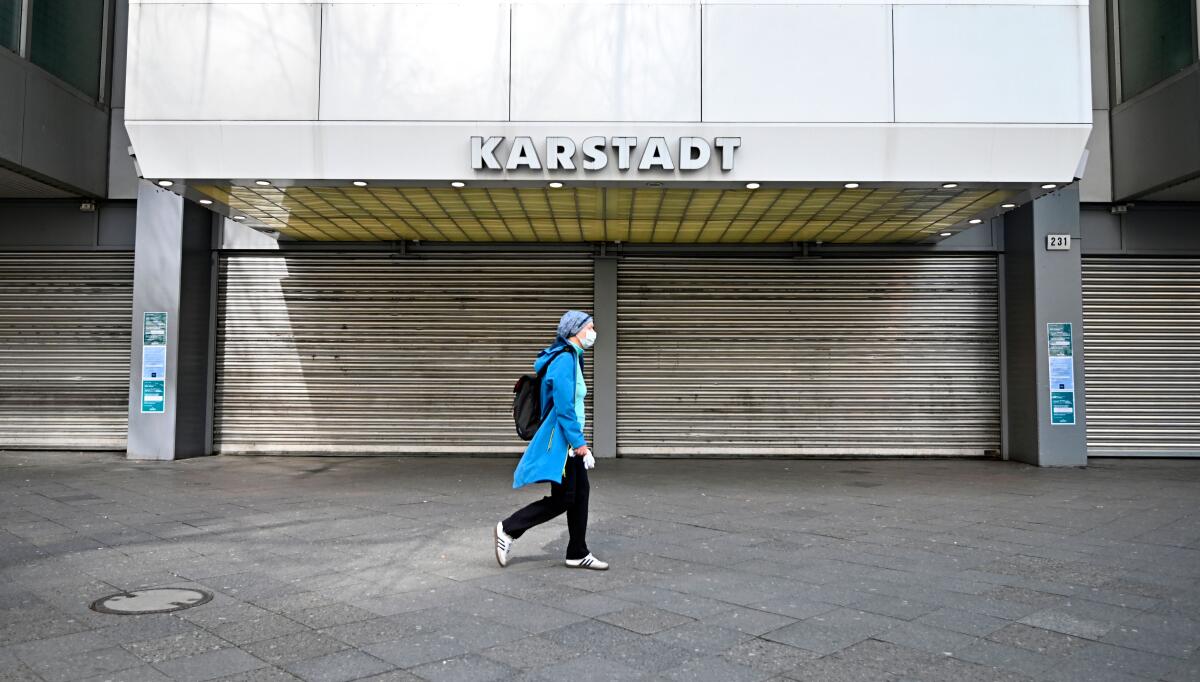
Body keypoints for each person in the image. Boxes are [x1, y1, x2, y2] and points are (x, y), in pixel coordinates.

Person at [494, 310, 608, 570]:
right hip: (564, 442)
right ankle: (509, 528)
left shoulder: (573, 358)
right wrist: (579, 444)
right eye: (589, 327)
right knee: (566, 498)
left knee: (580, 493)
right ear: (574, 331)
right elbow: (564, 407)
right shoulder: (564, 359)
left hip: (569, 438)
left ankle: (577, 552)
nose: (593, 332)